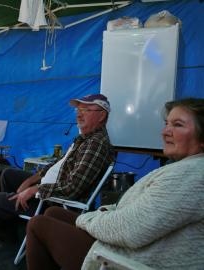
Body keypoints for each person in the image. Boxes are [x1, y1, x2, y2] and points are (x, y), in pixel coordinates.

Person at [26, 98, 204, 270]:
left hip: (126, 258)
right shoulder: (182, 167)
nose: (165, 132)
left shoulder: (192, 175)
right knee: (52, 212)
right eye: (167, 123)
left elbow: (130, 228)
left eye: (178, 125)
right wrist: (102, 213)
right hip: (122, 241)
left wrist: (87, 218)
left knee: (37, 224)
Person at [0, 94, 115, 234]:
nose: (79, 115)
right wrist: (32, 180)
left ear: (101, 116)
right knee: (8, 174)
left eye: (86, 110)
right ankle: (12, 222)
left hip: (54, 203)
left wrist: (35, 189)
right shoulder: (84, 139)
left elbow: (73, 187)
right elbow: (59, 163)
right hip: (50, 191)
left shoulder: (96, 144)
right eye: (78, 110)